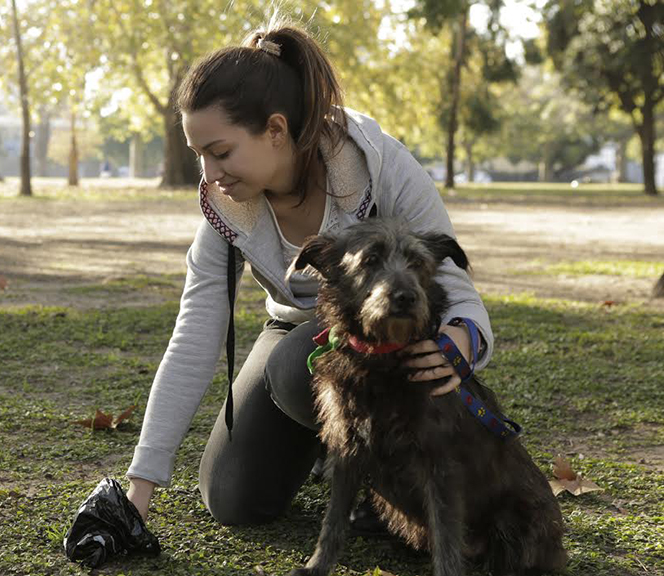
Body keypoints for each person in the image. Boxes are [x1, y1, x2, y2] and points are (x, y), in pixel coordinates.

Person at [124, 18, 493, 528]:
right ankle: (329, 448)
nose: (208, 174)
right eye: (198, 155)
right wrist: (139, 487)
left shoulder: (379, 163)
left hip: (387, 344)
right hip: (293, 333)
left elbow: (453, 282)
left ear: (276, 130)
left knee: (299, 361)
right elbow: (195, 332)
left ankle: (383, 481)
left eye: (221, 152)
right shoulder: (225, 205)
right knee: (233, 500)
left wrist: (463, 340)